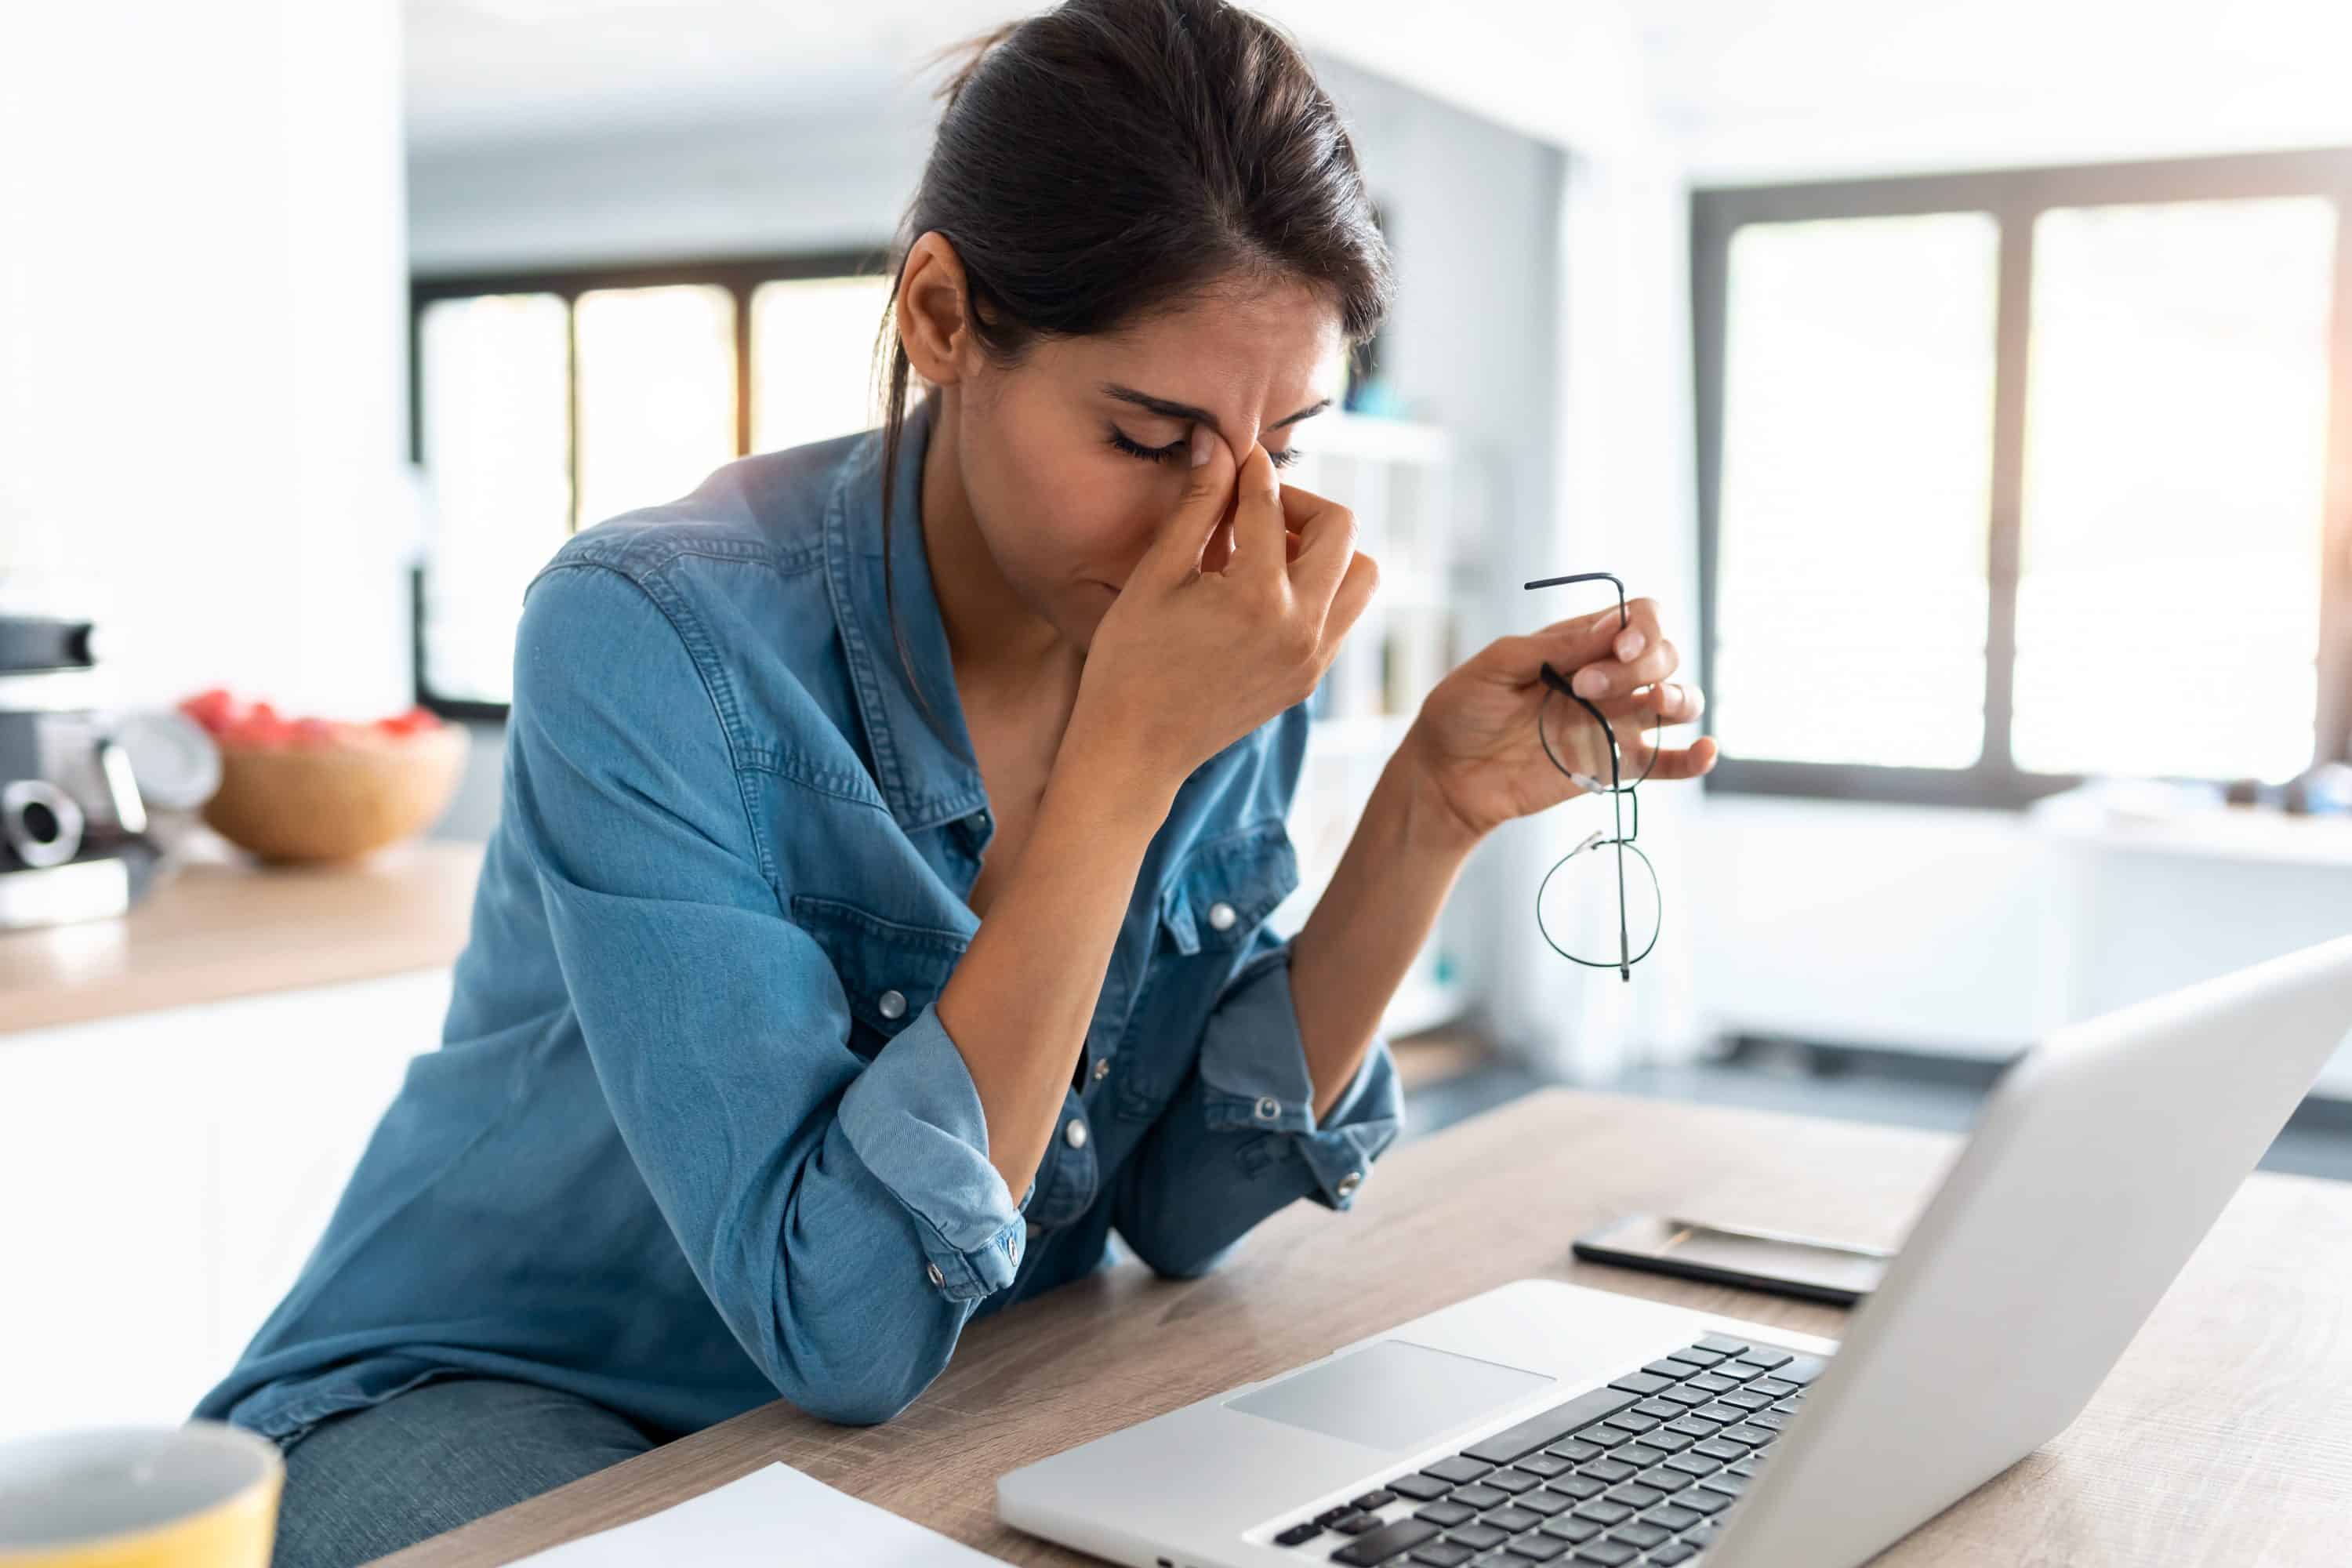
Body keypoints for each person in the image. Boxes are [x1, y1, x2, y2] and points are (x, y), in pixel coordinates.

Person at [194, 1, 1716, 1563]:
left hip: (900, 1406)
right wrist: (1122, 770)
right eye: (1148, 433)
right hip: (487, 1395)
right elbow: (838, 1318)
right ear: (940, 313)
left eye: (1287, 442)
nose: (1228, 527)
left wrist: (1426, 813)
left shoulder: (1198, 626)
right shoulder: (650, 630)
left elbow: (1187, 1202)